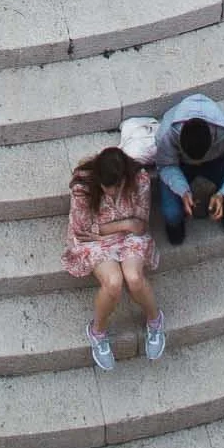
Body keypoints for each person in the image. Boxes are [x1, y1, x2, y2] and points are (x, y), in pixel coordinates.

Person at [63, 144, 166, 368]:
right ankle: (97, 331)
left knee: (134, 278)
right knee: (113, 282)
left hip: (129, 237)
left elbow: (140, 224)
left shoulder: (139, 180)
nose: (109, 191)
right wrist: (125, 223)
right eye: (105, 186)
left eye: (114, 186)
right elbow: (84, 228)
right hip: (95, 240)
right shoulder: (83, 185)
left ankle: (155, 320)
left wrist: (122, 225)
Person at [153, 93, 224, 245]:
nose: (197, 163)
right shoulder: (166, 134)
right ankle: (177, 221)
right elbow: (165, 165)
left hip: (216, 160)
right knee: (172, 214)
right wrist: (182, 191)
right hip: (180, 163)